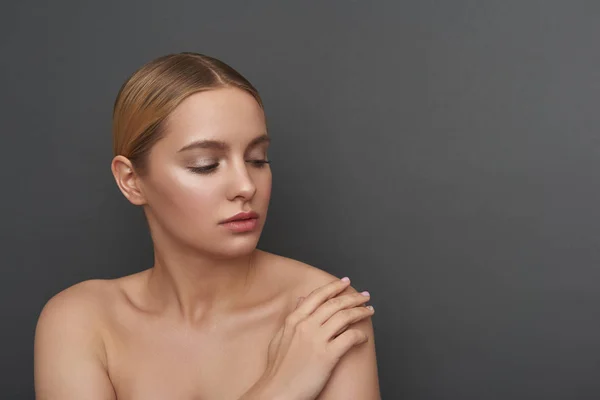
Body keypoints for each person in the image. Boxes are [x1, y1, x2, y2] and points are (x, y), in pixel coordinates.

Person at [33, 52, 380, 399]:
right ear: (131, 181)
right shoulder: (82, 322)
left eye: (257, 159)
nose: (246, 186)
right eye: (206, 165)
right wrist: (280, 386)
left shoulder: (324, 316)